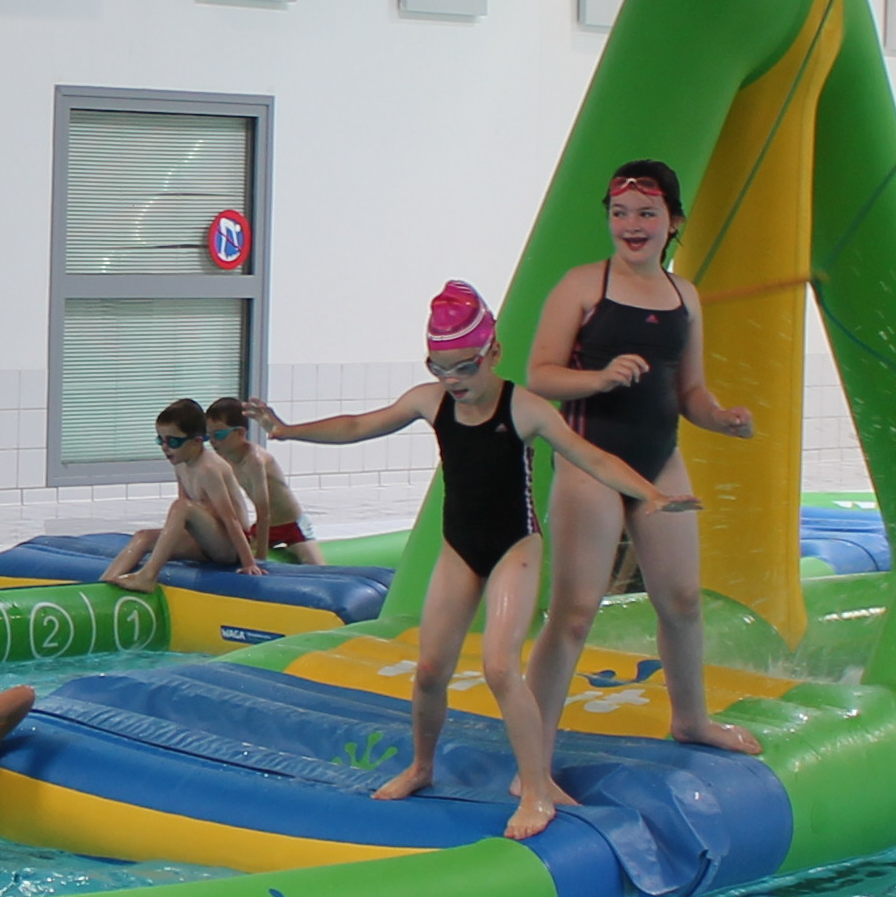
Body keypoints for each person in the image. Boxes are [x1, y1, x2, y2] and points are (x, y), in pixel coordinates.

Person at [256, 282, 687, 834]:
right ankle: (421, 766)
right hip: (461, 547)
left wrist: (650, 494)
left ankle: (535, 790)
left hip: (515, 548)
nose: (454, 382)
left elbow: (591, 456)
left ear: (492, 354)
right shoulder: (429, 400)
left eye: (464, 368)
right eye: (441, 368)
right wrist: (288, 431)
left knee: (500, 666)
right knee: (431, 669)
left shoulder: (525, 408)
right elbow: (361, 425)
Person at [523, 161, 762, 756]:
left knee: (681, 601)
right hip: (589, 459)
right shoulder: (582, 286)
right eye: (620, 213)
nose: (632, 224)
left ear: (673, 222)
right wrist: (600, 379)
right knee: (575, 612)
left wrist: (722, 418)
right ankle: (533, 747)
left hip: (660, 460)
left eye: (647, 214)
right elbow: (540, 377)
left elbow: (690, 393)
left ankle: (692, 721)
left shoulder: (686, 296)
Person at [99, 397, 255, 590]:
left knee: (181, 506)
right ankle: (103, 587)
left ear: (197, 441)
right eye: (161, 440)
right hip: (205, 541)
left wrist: (249, 562)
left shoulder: (209, 469)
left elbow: (230, 519)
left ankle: (147, 577)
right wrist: (171, 541)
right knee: (143, 537)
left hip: (229, 548)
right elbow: (185, 516)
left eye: (173, 441)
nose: (165, 448)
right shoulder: (181, 462)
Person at [206, 398, 312, 560]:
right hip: (267, 529)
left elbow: (264, 512)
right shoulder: (226, 459)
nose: (213, 441)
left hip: (293, 525)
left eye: (219, 435)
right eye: (209, 436)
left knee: (317, 568)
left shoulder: (254, 460)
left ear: (240, 432)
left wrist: (261, 559)